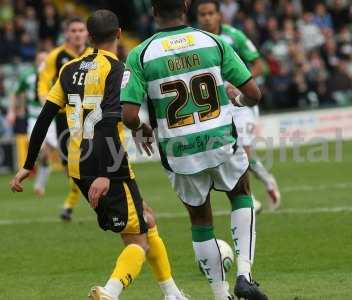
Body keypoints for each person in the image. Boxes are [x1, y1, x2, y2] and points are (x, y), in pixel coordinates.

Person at [10, 9, 187, 300]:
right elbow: (107, 123)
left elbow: (43, 118)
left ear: (89, 38)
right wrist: (106, 174)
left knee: (146, 218)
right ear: (119, 34)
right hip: (109, 164)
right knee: (137, 241)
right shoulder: (118, 69)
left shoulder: (69, 69)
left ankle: (172, 293)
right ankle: (110, 292)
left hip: (79, 166)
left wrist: (28, 165)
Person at [121, 1, 269, 299]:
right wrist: (237, 101)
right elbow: (254, 93)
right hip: (220, 140)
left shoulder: (140, 54)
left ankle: (220, 294)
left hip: (179, 150)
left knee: (200, 219)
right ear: (186, 7)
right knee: (241, 195)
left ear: (153, 11)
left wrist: (141, 128)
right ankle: (244, 274)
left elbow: (127, 114)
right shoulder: (212, 41)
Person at [196, 0, 281, 211]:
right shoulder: (195, 41)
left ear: (219, 16)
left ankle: (253, 195)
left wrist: (239, 82)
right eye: (203, 14)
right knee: (224, 151)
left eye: (210, 13)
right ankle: (261, 186)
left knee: (242, 149)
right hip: (215, 104)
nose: (207, 18)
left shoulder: (235, 36)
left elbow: (259, 65)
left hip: (242, 102)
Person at [38, 17, 92, 221]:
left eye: (81, 30)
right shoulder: (55, 56)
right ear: (67, 33)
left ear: (87, 33)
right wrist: (46, 98)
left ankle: (69, 205)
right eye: (74, 30)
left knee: (89, 160)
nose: (78, 34)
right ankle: (74, 202)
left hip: (89, 115)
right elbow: (43, 82)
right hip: (64, 117)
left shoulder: (93, 56)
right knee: (72, 166)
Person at [7, 51, 57, 197]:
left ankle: (40, 183)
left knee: (48, 153)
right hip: (33, 118)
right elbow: (15, 92)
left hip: (52, 119)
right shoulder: (27, 75)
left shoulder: (54, 76)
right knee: (41, 150)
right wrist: (12, 111)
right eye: (40, 60)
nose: (43, 63)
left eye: (45, 60)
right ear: (36, 61)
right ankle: (39, 183)